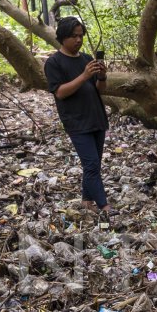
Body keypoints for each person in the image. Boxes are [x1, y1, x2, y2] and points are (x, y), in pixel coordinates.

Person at [44, 16, 111, 216]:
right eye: (74, 36)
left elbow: (101, 90)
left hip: (96, 117)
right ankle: (104, 207)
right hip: (76, 121)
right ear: (63, 37)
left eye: (81, 35)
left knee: (94, 164)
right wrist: (84, 75)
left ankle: (86, 200)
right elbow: (60, 92)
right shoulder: (54, 62)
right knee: (90, 164)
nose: (79, 40)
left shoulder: (86, 59)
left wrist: (101, 76)